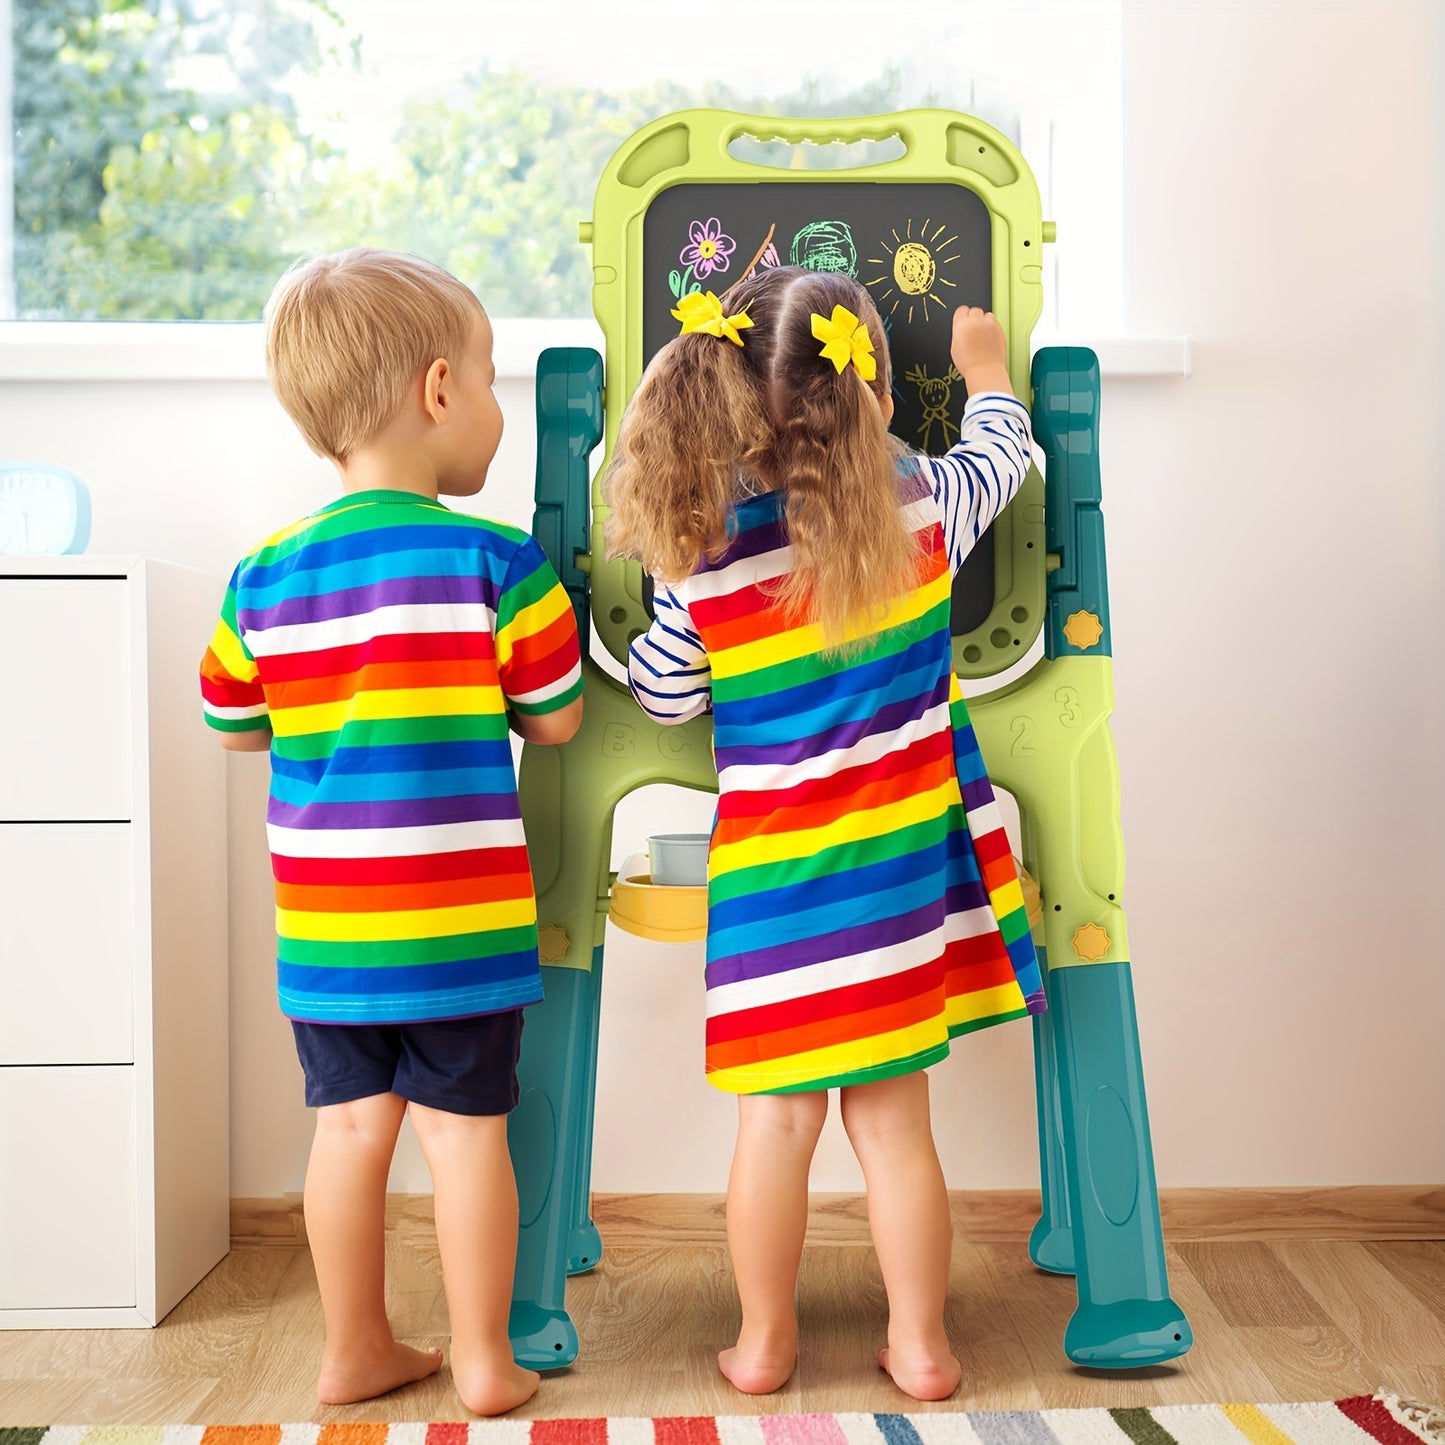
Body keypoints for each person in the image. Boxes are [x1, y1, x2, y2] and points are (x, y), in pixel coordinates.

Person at [605, 266, 1045, 1402]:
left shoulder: (705, 551)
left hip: (771, 894)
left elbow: (663, 697)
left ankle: (761, 1345)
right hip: (895, 890)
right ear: (876, 389)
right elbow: (1003, 452)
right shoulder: (924, 503)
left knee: (775, 1128)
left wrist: (669, 592)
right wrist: (988, 371)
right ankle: (921, 1346)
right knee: (896, 1133)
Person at [199, 248, 582, 1415]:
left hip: (328, 935)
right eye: (487, 375)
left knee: (351, 1131)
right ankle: (482, 1362)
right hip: (457, 929)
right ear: (435, 392)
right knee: (467, 1139)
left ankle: (353, 1345)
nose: (494, 406)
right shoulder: (494, 561)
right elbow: (558, 718)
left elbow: (230, 723)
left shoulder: (263, 572)